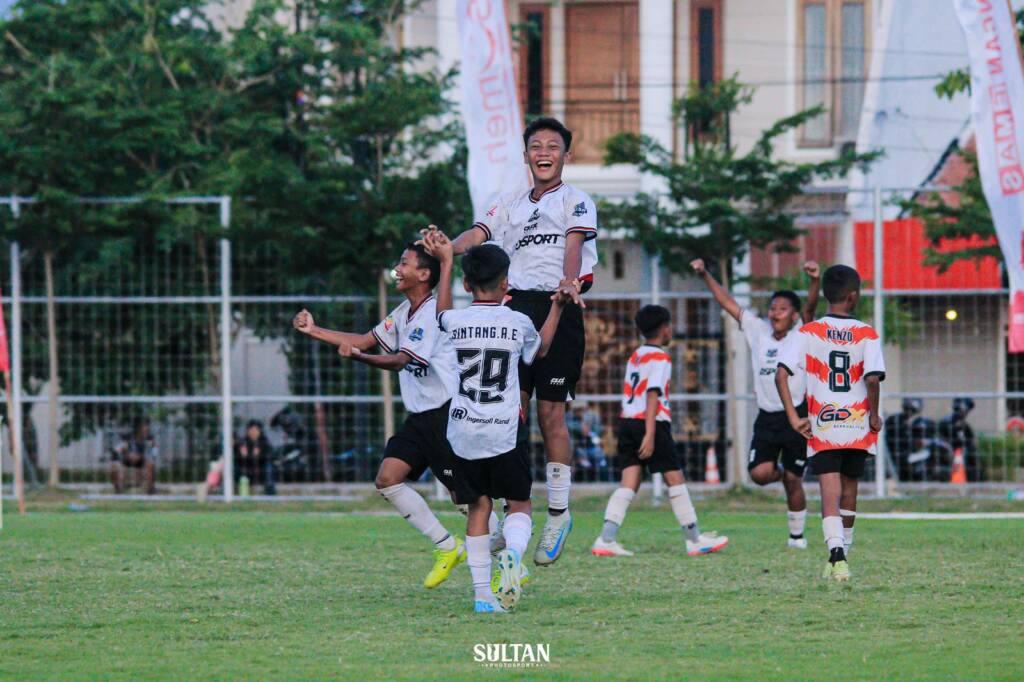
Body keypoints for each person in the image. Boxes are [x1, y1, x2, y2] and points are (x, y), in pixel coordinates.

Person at [422, 117, 596, 566]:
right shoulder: (509, 204)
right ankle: (511, 508)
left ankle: (558, 513)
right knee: (508, 409)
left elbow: (573, 246)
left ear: (565, 155)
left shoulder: (577, 202)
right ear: (525, 156)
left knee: (550, 413)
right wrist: (447, 247)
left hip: (559, 304)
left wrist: (568, 283)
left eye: (552, 146)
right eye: (535, 145)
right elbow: (476, 236)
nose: (544, 152)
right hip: (512, 310)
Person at [293, 241, 484, 590]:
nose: (398, 269)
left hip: (445, 416)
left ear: (424, 275)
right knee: (388, 478)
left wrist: (358, 358)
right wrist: (314, 330)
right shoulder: (401, 312)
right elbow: (366, 340)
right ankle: (448, 547)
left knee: (467, 500)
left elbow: (400, 360)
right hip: (420, 418)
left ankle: (503, 558)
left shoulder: (430, 314)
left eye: (404, 263)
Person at [425, 231, 574, 613]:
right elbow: (540, 348)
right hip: (504, 430)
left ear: (466, 283)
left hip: (462, 430)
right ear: (506, 283)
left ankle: (481, 597)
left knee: (478, 508)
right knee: (519, 504)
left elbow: (440, 312)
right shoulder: (517, 322)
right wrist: (556, 307)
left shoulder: (455, 321)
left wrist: (444, 262)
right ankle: (514, 555)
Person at [692, 258, 820, 549]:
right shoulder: (758, 331)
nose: (776, 313)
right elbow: (728, 303)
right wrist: (705, 274)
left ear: (794, 315)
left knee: (793, 479)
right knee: (760, 475)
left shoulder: (801, 332)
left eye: (783, 309)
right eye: (773, 308)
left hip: (797, 416)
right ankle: (781, 469)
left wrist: (814, 281)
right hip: (767, 417)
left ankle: (797, 536)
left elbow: (811, 307)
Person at [591, 305, 729, 558]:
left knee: (628, 482)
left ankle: (605, 539)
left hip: (628, 421)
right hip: (650, 421)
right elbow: (652, 392)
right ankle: (694, 539)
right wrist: (650, 433)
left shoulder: (637, 355)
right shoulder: (660, 357)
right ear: (665, 328)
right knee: (675, 480)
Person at [776, 264, 886, 582]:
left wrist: (794, 417)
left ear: (826, 295)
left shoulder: (808, 332)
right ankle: (843, 554)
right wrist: (875, 415)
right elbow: (873, 380)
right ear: (853, 297)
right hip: (858, 422)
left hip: (824, 422)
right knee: (850, 488)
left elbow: (781, 374)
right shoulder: (867, 333)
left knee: (829, 489)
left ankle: (836, 554)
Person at [111, 418, 157, 494]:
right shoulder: (127, 438)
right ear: (138, 428)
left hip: (142, 462)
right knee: (114, 465)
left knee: (150, 463)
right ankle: (118, 492)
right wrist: (126, 454)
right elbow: (115, 452)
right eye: (144, 427)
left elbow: (154, 454)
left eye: (148, 427)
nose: (147, 429)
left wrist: (141, 456)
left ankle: (150, 491)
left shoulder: (150, 440)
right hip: (127, 461)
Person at [234, 420, 276, 495]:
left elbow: (269, 456)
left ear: (260, 431)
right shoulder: (242, 442)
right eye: (251, 430)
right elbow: (237, 458)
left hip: (260, 470)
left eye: (256, 430)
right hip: (245, 470)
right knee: (234, 466)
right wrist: (242, 455)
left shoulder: (264, 442)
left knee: (269, 467)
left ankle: (270, 493)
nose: (253, 432)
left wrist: (259, 455)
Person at [566, 401, 607, 477]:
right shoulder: (568, 416)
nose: (580, 412)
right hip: (576, 444)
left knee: (597, 445)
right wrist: (579, 428)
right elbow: (567, 426)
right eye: (577, 410)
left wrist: (589, 430)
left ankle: (600, 467)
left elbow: (599, 429)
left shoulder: (593, 416)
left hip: (591, 442)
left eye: (582, 409)